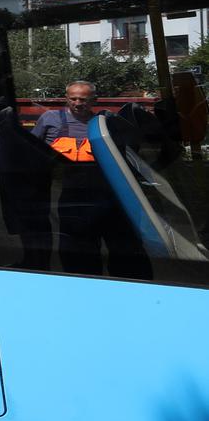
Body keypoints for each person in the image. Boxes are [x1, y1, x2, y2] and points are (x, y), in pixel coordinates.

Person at [30, 81, 145, 276]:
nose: (77, 103)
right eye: (73, 99)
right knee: (78, 254)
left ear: (94, 100)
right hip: (70, 197)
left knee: (119, 252)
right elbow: (31, 149)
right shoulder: (50, 119)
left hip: (104, 196)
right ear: (66, 99)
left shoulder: (103, 125)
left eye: (83, 100)